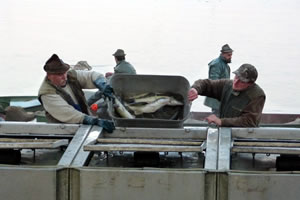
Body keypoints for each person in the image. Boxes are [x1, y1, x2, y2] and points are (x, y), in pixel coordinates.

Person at [38, 54, 115, 133]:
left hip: (84, 125)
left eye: (64, 73)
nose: (64, 77)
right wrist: (96, 121)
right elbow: (69, 114)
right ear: (49, 75)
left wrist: (101, 84)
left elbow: (91, 76)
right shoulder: (47, 93)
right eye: (59, 74)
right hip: (64, 132)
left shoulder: (70, 76)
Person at [189, 64, 265, 127]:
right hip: (224, 131)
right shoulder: (227, 85)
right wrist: (195, 89)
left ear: (250, 84)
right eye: (236, 77)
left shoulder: (257, 95)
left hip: (243, 136)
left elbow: (249, 121)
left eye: (241, 81)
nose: (235, 82)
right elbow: (206, 84)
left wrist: (221, 121)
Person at [204, 44, 233, 116]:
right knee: (216, 114)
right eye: (229, 55)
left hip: (222, 95)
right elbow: (214, 81)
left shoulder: (224, 64)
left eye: (231, 55)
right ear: (223, 54)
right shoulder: (217, 64)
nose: (230, 57)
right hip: (217, 96)